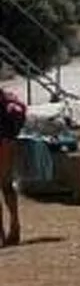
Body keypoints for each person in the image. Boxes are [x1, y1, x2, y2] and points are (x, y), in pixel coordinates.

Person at [0, 85, 26, 246]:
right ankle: (15, 225)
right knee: (6, 185)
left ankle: (2, 234)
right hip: (7, 142)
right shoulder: (4, 96)